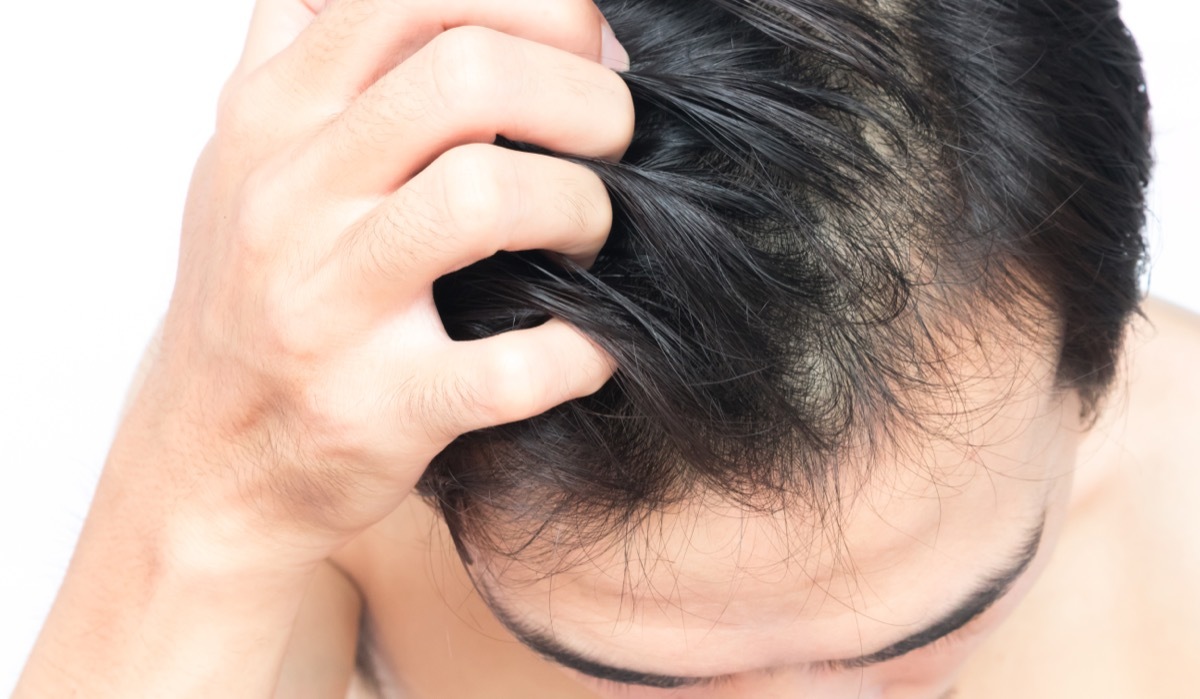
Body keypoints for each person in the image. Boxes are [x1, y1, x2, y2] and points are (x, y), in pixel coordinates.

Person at [15, 0, 1200, 697]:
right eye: (636, 677)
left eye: (931, 631)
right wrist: (196, 500)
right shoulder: (317, 486)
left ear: (1090, 371)